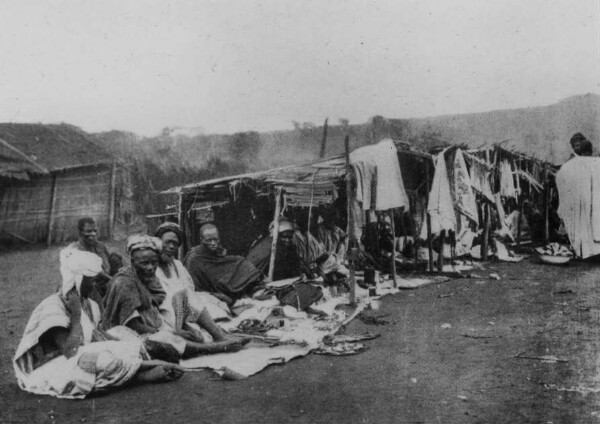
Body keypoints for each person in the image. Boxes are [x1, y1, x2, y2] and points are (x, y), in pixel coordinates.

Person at [13, 247, 185, 399]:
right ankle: (146, 371)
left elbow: (96, 337)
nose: (94, 285)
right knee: (100, 360)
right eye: (91, 281)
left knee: (126, 342)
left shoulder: (89, 304)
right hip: (58, 365)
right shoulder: (53, 307)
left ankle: (134, 372)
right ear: (78, 280)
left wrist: (126, 345)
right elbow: (69, 351)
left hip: (83, 353)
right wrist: (75, 314)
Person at [102, 235, 247, 360]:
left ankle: (219, 335)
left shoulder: (147, 277)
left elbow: (160, 306)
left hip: (154, 324)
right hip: (130, 333)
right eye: (144, 263)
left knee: (186, 297)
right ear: (132, 262)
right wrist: (172, 332)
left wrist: (180, 326)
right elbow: (134, 325)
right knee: (166, 340)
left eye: (154, 263)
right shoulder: (124, 282)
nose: (150, 267)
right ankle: (215, 348)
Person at [184, 224, 265, 305]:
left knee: (241, 262)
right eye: (209, 240)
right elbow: (193, 288)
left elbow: (222, 263)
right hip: (207, 294)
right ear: (201, 240)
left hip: (220, 283)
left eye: (216, 239)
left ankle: (254, 288)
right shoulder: (194, 259)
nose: (213, 243)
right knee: (226, 300)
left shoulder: (217, 250)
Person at [69, 217, 123, 299]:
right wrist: (113, 281)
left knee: (115, 257)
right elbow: (96, 273)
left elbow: (110, 261)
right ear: (80, 233)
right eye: (89, 231)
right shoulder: (76, 250)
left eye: (95, 231)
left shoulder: (100, 245)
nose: (93, 234)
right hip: (92, 286)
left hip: (108, 281)